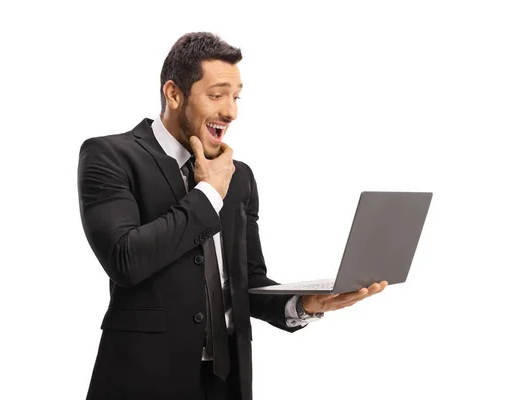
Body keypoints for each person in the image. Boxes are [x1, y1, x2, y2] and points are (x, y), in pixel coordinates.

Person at [77, 31, 388, 400]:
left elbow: (247, 279)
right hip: (143, 379)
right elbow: (125, 260)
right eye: (216, 94)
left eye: (236, 96)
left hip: (227, 381)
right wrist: (208, 193)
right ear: (174, 94)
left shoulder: (239, 176)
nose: (231, 111)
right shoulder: (109, 156)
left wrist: (303, 304)